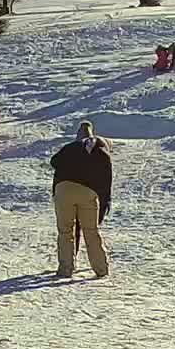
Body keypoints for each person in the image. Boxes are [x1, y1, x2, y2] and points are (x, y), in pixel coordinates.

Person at [51, 120, 113, 280]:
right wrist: (105, 203)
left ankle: (66, 269)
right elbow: (106, 180)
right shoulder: (101, 148)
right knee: (91, 231)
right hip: (88, 191)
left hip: (63, 189)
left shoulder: (70, 147)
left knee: (65, 231)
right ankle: (101, 269)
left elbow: (54, 162)